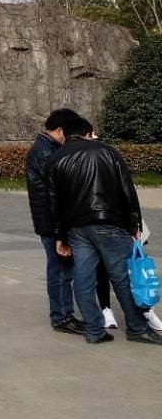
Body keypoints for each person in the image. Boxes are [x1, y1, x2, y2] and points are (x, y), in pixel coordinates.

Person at [50, 116, 162, 345]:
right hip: (110, 222)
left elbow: (55, 203)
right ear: (88, 133)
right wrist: (135, 224)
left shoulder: (56, 159)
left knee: (83, 280)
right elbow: (127, 190)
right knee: (122, 278)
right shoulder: (108, 151)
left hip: (77, 229)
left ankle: (94, 329)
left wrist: (60, 236)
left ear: (66, 134)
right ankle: (137, 328)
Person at [26, 109, 85, 336]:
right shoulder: (46, 152)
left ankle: (65, 314)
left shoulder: (47, 149)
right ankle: (61, 317)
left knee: (63, 268)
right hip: (52, 222)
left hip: (52, 220)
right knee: (60, 270)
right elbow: (58, 191)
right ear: (60, 130)